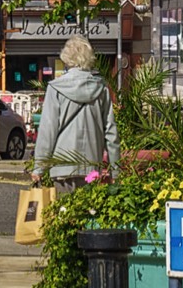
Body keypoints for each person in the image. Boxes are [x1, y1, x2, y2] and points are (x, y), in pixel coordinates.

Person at [31, 34, 120, 193]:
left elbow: (48, 131)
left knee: (64, 213)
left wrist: (39, 168)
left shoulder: (56, 88)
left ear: (66, 58)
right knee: (90, 214)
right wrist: (115, 171)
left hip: (62, 164)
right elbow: (111, 132)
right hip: (92, 164)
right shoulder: (101, 89)